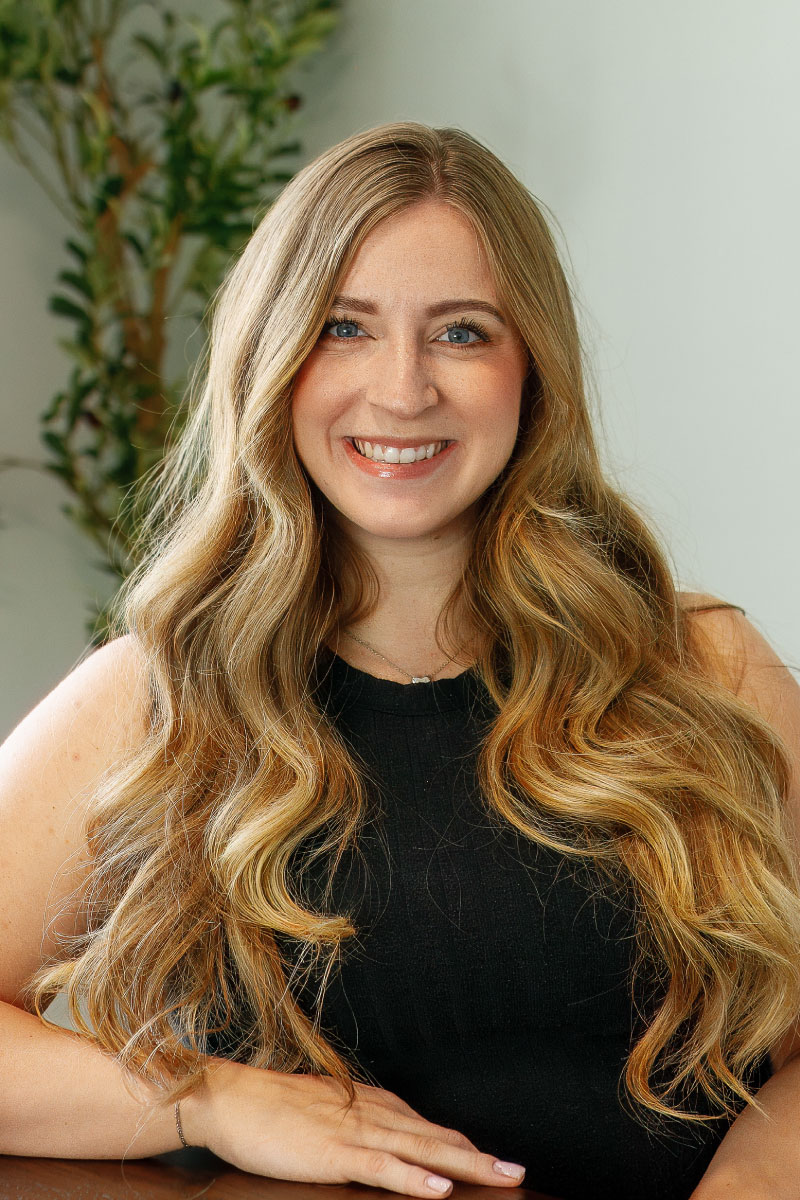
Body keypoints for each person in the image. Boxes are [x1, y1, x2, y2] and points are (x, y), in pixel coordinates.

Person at [1, 121, 799, 1200]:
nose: (402, 388)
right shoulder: (157, 697)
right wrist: (204, 1099)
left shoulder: (701, 667)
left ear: (533, 368)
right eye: (344, 328)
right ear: (273, 359)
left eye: (461, 333)